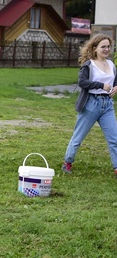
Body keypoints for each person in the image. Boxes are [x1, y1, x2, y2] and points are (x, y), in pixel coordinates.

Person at [62, 34, 117, 176]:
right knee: (78, 137)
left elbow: (114, 81)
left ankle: (116, 167)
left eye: (108, 46)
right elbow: (82, 82)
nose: (106, 49)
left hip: (107, 105)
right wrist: (100, 85)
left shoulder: (111, 64)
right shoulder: (89, 64)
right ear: (95, 48)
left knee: (114, 138)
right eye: (103, 46)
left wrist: (116, 87)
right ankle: (67, 162)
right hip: (91, 104)